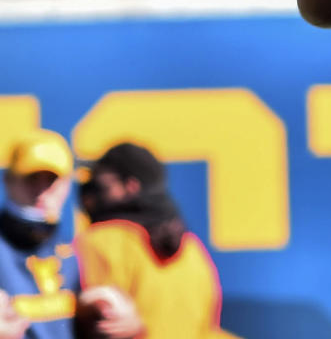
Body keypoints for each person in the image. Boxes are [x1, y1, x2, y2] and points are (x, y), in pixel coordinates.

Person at [73, 143, 233, 339]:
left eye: (101, 183)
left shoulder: (97, 242)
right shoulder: (192, 248)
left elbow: (87, 324)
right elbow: (208, 327)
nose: (90, 191)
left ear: (131, 186)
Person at [0, 130, 140, 339]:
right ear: (8, 181)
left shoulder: (73, 250)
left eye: (51, 180)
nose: (41, 190)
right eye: (31, 179)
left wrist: (128, 325)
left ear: (66, 185)